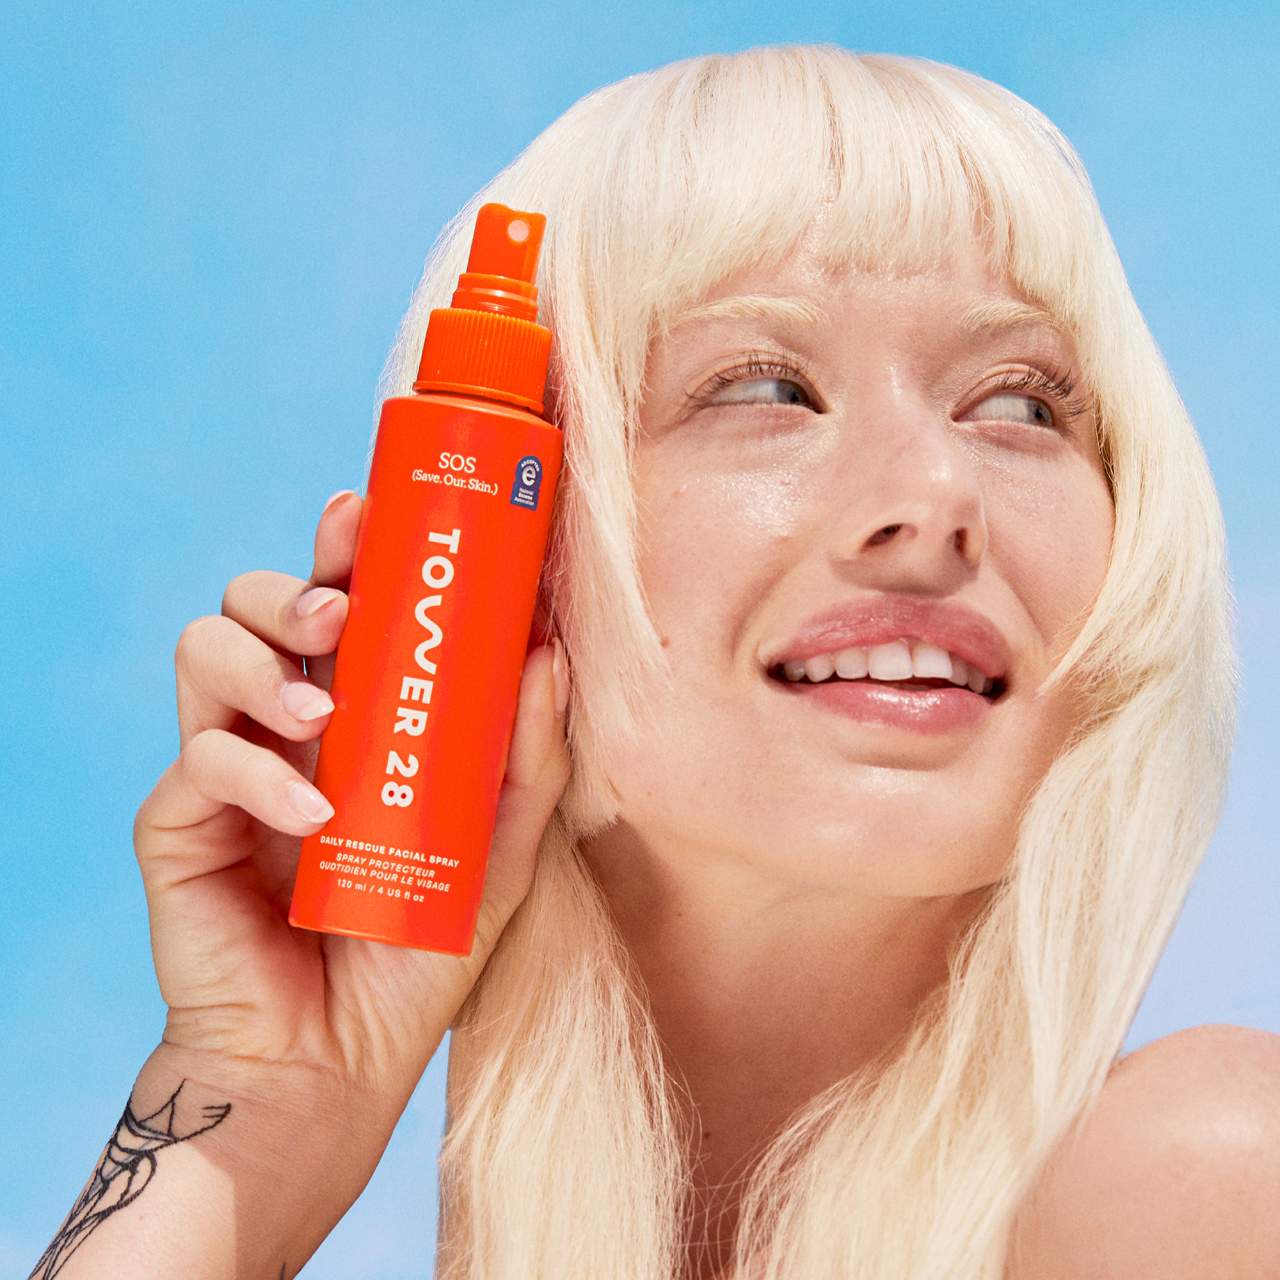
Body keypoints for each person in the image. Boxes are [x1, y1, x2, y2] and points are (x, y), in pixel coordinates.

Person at [33, 43, 1278, 1280]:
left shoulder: (1205, 1176)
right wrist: (265, 1098)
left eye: (1019, 405)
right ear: (495, 553)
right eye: (764, 387)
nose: (934, 493)